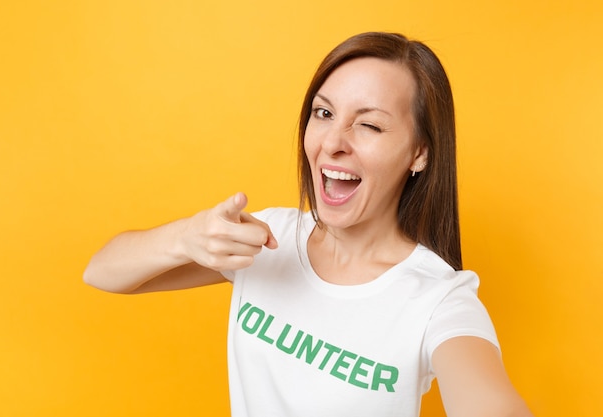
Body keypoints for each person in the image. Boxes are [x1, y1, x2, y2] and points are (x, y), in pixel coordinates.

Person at [84, 32, 533, 417]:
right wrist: (186, 237)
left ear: (420, 154)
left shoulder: (439, 299)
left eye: (370, 126)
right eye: (323, 113)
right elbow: (102, 273)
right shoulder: (269, 239)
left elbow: (489, 402)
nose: (333, 143)